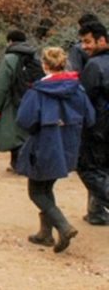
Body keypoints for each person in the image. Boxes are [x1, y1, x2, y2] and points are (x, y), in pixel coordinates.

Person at [16, 47, 95, 253]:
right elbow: (91, 117)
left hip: (44, 144)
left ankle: (63, 226)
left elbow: (25, 120)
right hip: (68, 146)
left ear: (44, 65)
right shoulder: (77, 88)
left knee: (36, 191)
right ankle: (45, 233)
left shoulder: (38, 91)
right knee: (46, 187)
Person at [0, 30, 39, 172]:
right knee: (26, 133)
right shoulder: (34, 56)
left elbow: (1, 85)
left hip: (13, 100)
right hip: (31, 99)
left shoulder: (10, 58)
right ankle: (26, 163)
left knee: (13, 133)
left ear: (10, 41)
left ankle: (19, 164)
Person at [77, 21, 109, 226]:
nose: (84, 46)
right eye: (82, 42)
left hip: (98, 126)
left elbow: (84, 99)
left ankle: (99, 209)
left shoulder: (95, 65)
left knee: (88, 168)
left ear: (102, 40)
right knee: (104, 168)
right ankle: (96, 212)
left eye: (88, 42)